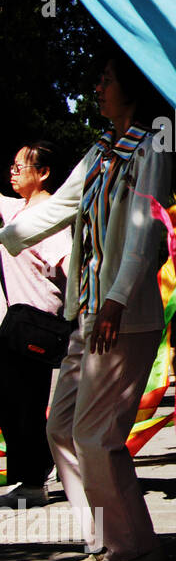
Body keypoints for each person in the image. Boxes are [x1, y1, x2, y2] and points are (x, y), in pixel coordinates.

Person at [0, 49, 173, 561]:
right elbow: (58, 208)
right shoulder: (101, 150)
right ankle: (101, 535)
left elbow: (146, 227)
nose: (97, 87)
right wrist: (6, 235)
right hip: (88, 312)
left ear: (132, 88)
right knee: (62, 431)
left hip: (122, 315)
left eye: (106, 79)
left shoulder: (152, 146)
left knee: (97, 436)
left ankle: (134, 545)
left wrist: (118, 297)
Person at [0, 141, 73, 508]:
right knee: (11, 400)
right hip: (17, 319)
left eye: (20, 167)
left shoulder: (51, 215)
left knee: (27, 402)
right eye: (12, 166)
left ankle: (34, 481)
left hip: (40, 319)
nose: (13, 172)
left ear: (43, 173)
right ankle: (32, 475)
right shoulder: (17, 209)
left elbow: (67, 262)